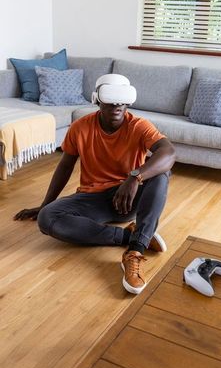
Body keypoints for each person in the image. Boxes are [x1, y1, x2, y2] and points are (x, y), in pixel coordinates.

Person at [14, 73, 176, 295]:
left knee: (161, 173)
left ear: (128, 100)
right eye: (110, 98)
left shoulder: (139, 126)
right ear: (97, 99)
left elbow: (168, 152)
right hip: (94, 199)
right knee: (47, 218)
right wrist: (44, 205)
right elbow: (65, 166)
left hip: (129, 197)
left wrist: (134, 177)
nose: (117, 104)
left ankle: (135, 251)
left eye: (122, 98)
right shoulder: (80, 127)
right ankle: (132, 237)